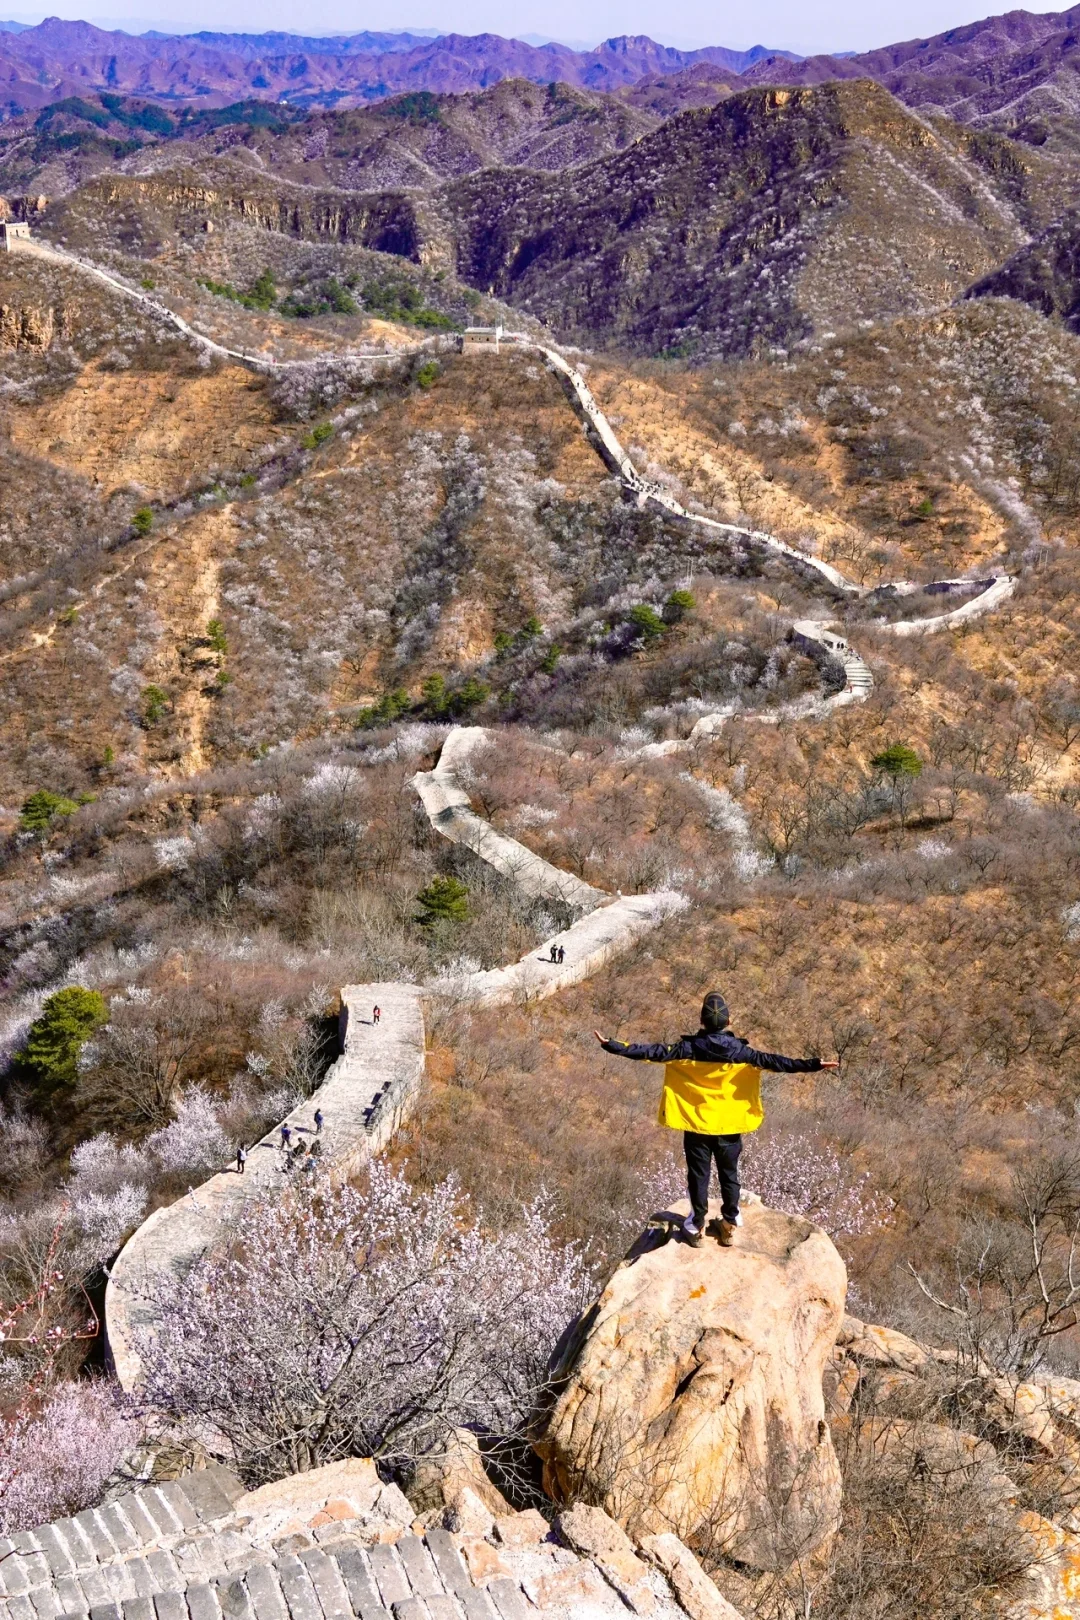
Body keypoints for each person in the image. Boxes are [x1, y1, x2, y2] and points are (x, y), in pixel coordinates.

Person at [595, 991, 837, 1249]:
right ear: (728, 1022)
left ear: (701, 1021)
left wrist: (613, 1045)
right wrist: (814, 1064)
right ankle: (729, 1224)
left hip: (697, 1124)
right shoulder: (743, 1053)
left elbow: (650, 1051)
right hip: (729, 1126)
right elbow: (779, 1062)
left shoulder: (686, 1049)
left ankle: (696, 1225)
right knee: (729, 1175)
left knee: (698, 1175)